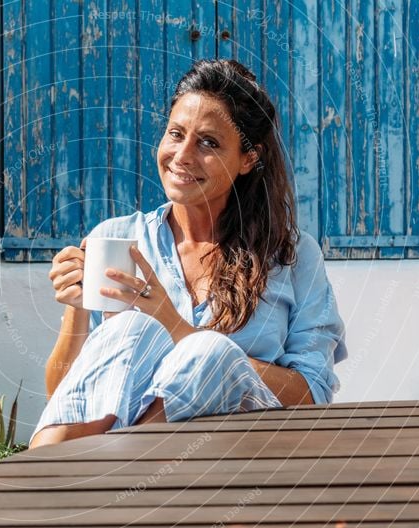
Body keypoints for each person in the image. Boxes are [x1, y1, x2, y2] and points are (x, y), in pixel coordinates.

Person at [30, 59, 347, 448]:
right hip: (116, 468)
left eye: (209, 143)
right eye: (175, 134)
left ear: (248, 158)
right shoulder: (116, 239)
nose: (182, 155)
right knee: (133, 328)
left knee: (208, 352)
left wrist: (178, 330)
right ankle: (50, 482)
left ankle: (108, 484)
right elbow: (64, 398)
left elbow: (312, 395)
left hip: (245, 457)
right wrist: (77, 309)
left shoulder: (291, 255)